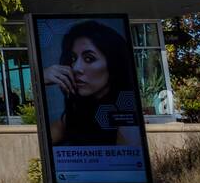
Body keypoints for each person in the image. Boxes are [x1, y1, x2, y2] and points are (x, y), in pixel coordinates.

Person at [42, 20, 141, 148]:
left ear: (114, 64)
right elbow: (41, 144)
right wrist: (41, 78)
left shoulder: (125, 119)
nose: (76, 68)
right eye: (73, 59)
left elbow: (127, 163)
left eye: (89, 59)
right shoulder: (80, 113)